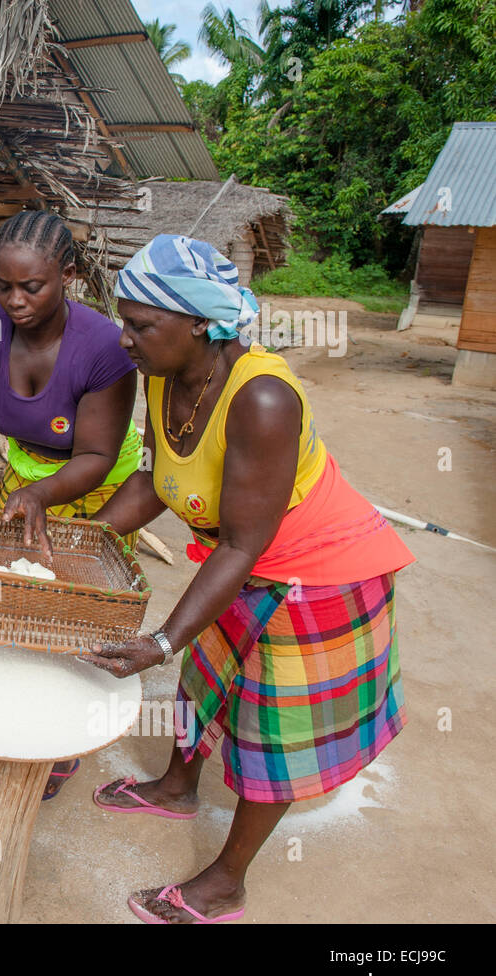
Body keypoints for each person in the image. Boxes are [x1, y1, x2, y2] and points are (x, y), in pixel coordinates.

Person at [79, 234, 414, 924]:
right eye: (124, 320)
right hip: (245, 560)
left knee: (273, 732)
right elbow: (158, 476)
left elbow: (240, 540)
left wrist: (160, 640)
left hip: (320, 576)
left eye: (140, 325)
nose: (125, 339)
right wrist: (85, 539)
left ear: (200, 323)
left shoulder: (262, 399)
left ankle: (227, 881)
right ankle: (177, 789)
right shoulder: (163, 368)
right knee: (206, 675)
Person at [0, 210, 142, 800]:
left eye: (32, 286)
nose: (15, 300)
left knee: (77, 608)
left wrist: (41, 495)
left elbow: (98, 452)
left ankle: (64, 741)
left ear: (69, 276)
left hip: (95, 477)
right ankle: (17, 713)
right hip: (27, 469)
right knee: (13, 590)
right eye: (3, 285)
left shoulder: (103, 345)